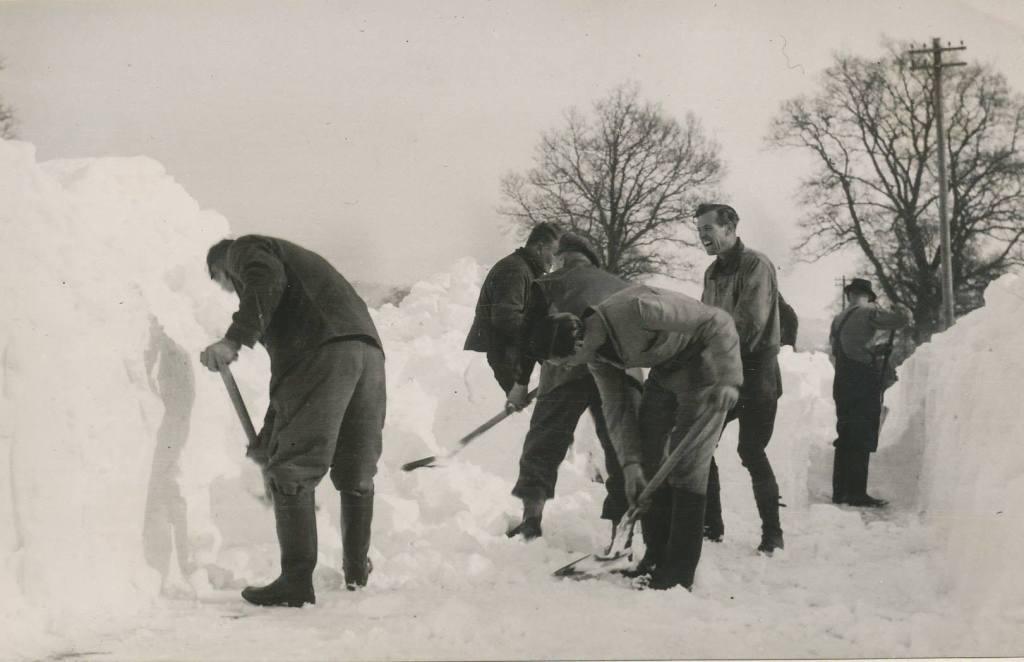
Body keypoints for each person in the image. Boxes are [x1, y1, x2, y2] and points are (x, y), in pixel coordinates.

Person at [200, 235, 385, 607]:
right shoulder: (300, 274)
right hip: (366, 354)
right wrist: (270, 435)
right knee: (356, 469)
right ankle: (356, 569)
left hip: (324, 354)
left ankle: (296, 581)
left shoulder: (245, 250)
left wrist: (234, 340)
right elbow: (295, 390)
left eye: (222, 281)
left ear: (222, 266)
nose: (229, 289)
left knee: (293, 470)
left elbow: (263, 279)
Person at [527, 284, 742, 591]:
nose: (564, 369)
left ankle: (679, 574)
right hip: (666, 373)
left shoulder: (639, 310)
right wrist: (630, 466)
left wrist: (729, 378)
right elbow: (617, 409)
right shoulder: (597, 358)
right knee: (648, 457)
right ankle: (654, 559)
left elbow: (716, 321)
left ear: (577, 343)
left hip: (706, 369)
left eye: (562, 363)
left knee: (687, 466)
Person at [504, 233, 640, 540]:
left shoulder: (547, 284)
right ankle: (622, 529)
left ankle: (531, 520)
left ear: (562, 258)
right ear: (591, 259)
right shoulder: (623, 286)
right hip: (620, 373)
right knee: (622, 445)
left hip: (564, 372)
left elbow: (529, 337)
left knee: (543, 443)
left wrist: (519, 385)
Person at [695, 203, 784, 554]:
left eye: (708, 229)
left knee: (751, 450)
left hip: (756, 371)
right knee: (701, 443)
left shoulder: (756, 265)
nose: (702, 236)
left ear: (730, 229)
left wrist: (716, 357)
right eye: (699, 230)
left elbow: (748, 324)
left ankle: (773, 534)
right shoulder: (711, 273)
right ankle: (710, 526)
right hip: (722, 371)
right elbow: (705, 320)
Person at [829, 277, 908, 507]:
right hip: (862, 379)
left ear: (850, 295)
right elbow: (901, 320)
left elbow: (842, 348)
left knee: (845, 433)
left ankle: (840, 491)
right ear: (869, 296)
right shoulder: (869, 310)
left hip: (842, 378)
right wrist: (899, 306)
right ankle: (856, 493)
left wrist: (873, 351)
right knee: (862, 432)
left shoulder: (838, 319)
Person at [464, 223, 560, 394]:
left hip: (513, 352)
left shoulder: (527, 270)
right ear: (539, 247)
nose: (556, 261)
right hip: (503, 355)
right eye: (554, 253)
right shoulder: (515, 270)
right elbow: (506, 319)